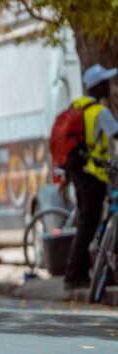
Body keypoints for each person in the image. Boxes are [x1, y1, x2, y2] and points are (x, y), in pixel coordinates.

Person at [64, 63, 118, 291]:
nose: (109, 85)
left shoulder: (78, 107)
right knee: (89, 222)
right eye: (105, 82)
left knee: (87, 222)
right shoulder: (100, 112)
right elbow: (116, 133)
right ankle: (74, 274)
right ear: (96, 86)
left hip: (78, 171)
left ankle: (84, 272)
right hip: (93, 174)